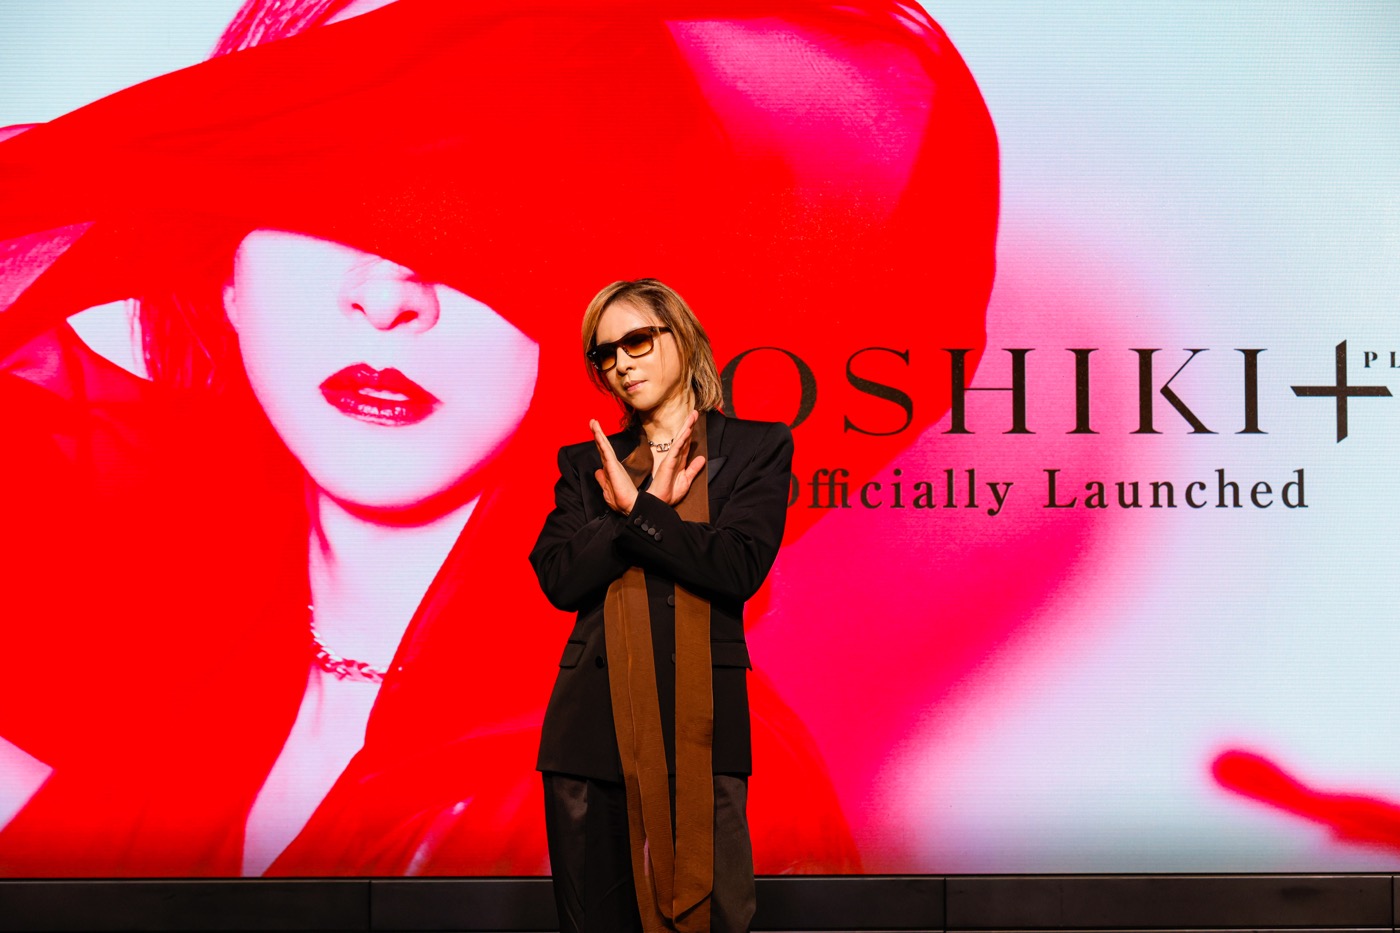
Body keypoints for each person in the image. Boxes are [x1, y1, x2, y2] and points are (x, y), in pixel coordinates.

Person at [0, 0, 997, 878]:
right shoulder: (148, 705)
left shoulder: (665, 774)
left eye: (477, 207)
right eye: (317, 192)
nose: (389, 296)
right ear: (223, 268)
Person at [530, 279, 789, 932]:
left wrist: (642, 514)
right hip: (591, 732)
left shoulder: (755, 448)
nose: (621, 362)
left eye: (637, 340)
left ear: (684, 336)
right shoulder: (587, 463)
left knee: (714, 914)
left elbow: (737, 566)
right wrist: (636, 508)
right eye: (605, 353)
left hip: (702, 723)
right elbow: (559, 577)